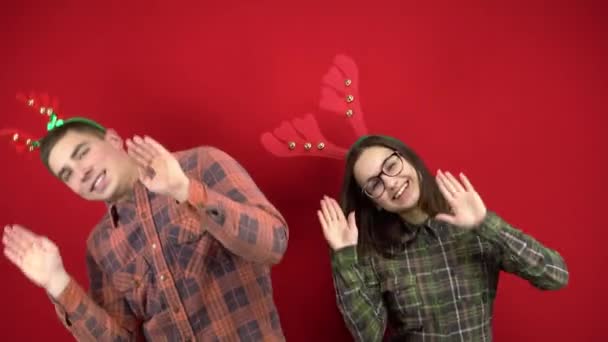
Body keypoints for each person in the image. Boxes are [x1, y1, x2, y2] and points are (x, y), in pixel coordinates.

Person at [2, 115, 289, 341]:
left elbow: (273, 244)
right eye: (68, 174)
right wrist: (57, 282)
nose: (82, 172)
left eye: (82, 153)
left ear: (113, 140)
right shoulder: (101, 245)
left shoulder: (201, 164)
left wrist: (187, 190)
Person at [317, 135, 568, 341]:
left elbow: (555, 276)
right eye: (375, 184)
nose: (391, 183)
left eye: (391, 166)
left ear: (409, 160)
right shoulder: (375, 253)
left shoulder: (473, 226)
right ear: (375, 203)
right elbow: (367, 336)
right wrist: (344, 259)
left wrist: (486, 224)